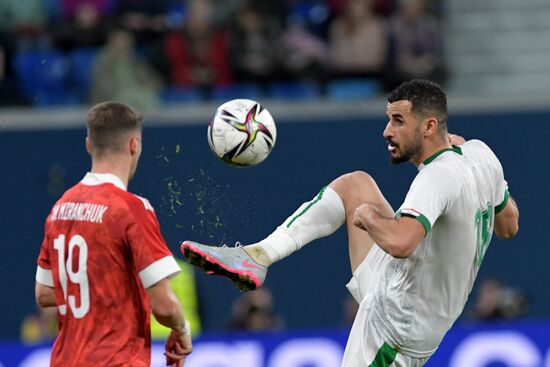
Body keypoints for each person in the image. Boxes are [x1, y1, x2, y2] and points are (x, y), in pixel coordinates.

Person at [181, 79, 520, 366]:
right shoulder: (480, 155)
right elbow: (509, 225)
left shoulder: (436, 178)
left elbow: (401, 242)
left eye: (398, 121)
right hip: (406, 289)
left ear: (429, 126)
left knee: (364, 206)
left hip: (397, 326)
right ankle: (258, 255)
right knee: (355, 186)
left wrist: (370, 218)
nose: (387, 131)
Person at [34, 102, 193, 366]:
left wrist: (105, 288)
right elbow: (163, 306)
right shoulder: (131, 208)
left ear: (88, 145)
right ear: (134, 145)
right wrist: (181, 329)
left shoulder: (60, 208)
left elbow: (44, 292)